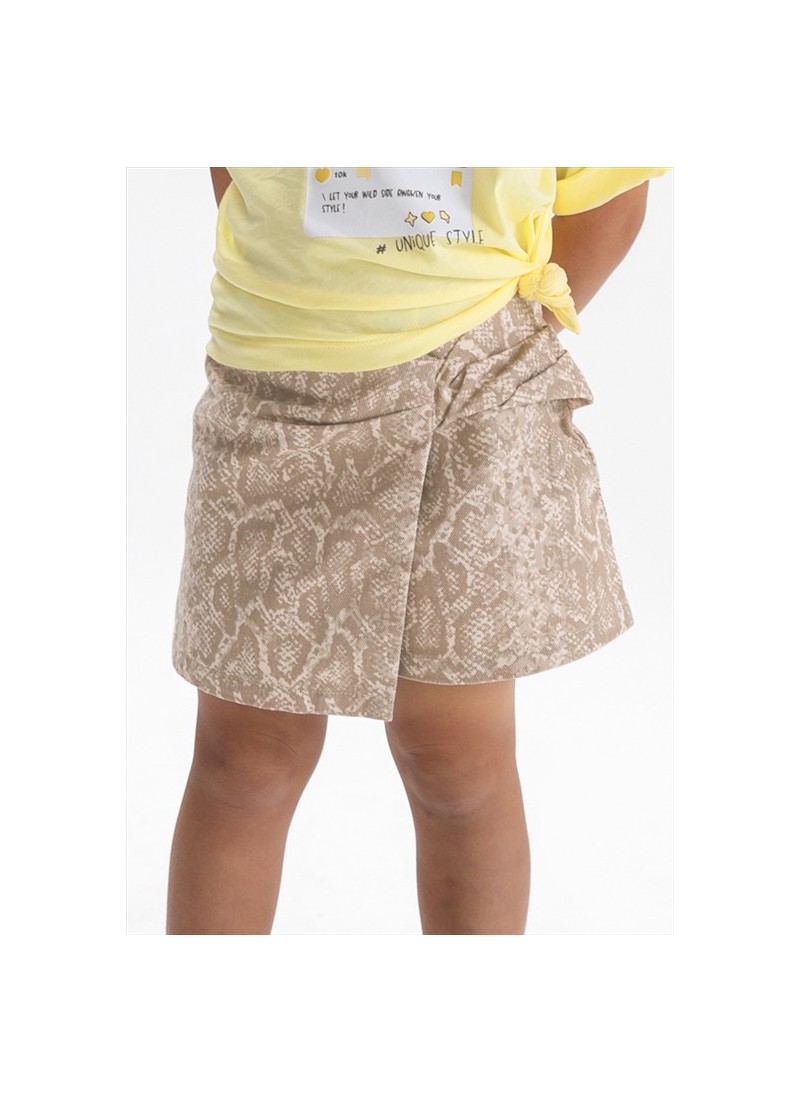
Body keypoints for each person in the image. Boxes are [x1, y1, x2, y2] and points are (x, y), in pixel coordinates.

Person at [166, 165, 671, 935]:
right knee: (247, 756)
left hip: (476, 383)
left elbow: (613, 194)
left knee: (455, 756)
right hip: (276, 377)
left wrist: (503, 327)